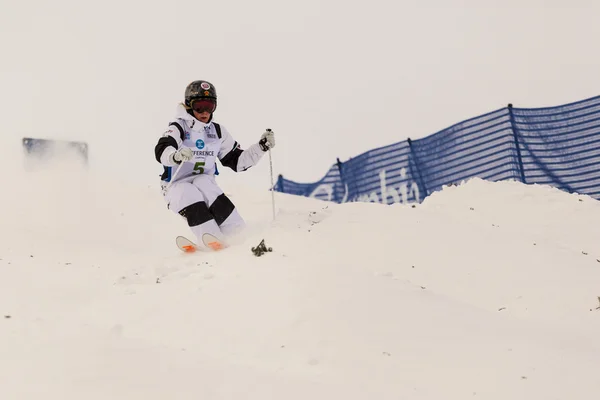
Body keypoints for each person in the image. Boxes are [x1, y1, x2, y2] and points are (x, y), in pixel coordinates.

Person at [154, 80, 275, 250]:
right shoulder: (178, 127)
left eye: (209, 106)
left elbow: (237, 161)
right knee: (189, 192)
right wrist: (174, 155)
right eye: (199, 106)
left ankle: (238, 234)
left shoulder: (217, 132)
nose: (204, 112)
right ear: (189, 106)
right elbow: (162, 148)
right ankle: (212, 239)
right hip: (176, 185)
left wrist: (261, 148)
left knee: (204, 184)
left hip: (203, 180)